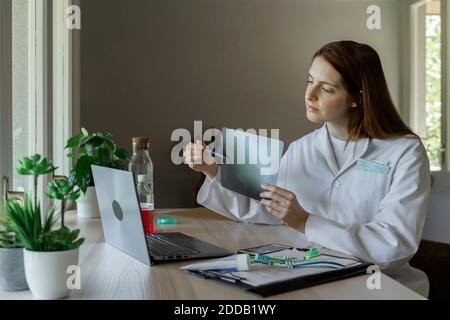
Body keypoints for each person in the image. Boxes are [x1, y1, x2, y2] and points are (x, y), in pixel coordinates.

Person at [184, 41, 431, 297]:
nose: (310, 95)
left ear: (357, 98)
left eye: (326, 88)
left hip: (383, 288)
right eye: (309, 81)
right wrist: (213, 171)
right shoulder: (300, 149)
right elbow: (272, 211)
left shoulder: (405, 151)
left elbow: (394, 245)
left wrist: (306, 222)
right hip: (316, 276)